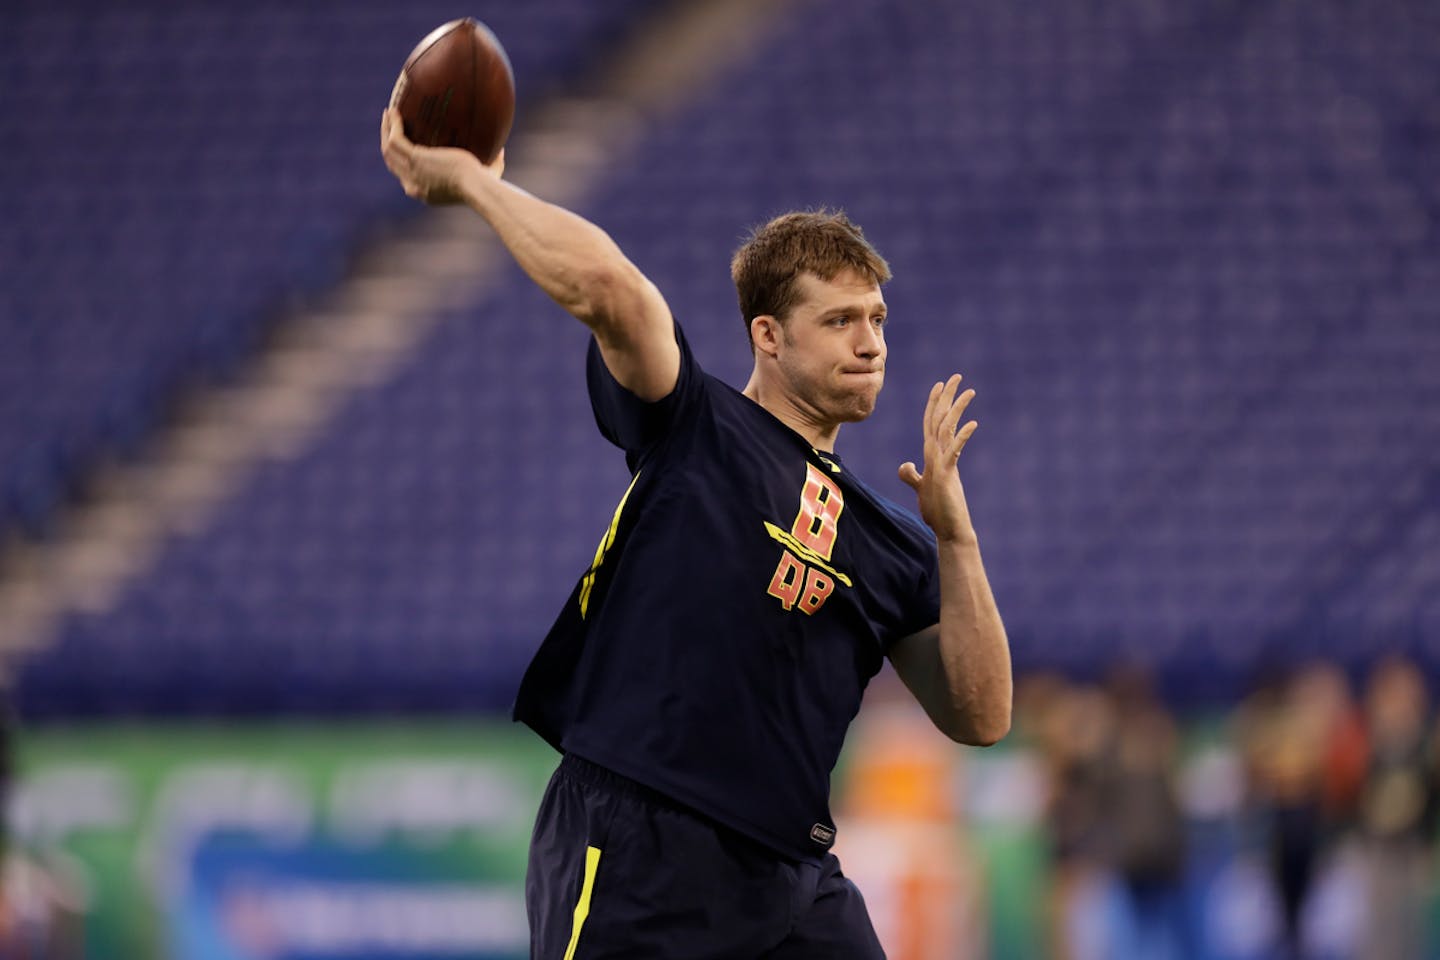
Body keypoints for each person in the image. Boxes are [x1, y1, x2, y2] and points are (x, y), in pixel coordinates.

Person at [380, 107, 1012, 958]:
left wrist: (959, 544)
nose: (871, 343)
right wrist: (477, 183)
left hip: (791, 877)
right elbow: (612, 291)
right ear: (768, 336)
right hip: (641, 840)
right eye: (840, 321)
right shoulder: (699, 426)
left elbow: (981, 714)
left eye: (878, 320)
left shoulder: (891, 539)